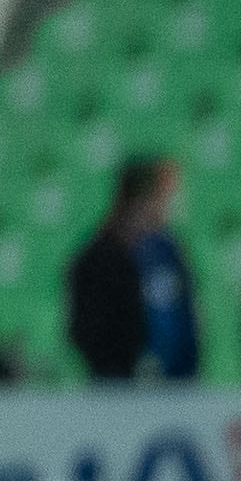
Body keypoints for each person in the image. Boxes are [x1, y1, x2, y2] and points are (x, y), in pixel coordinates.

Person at [64, 157, 196, 384]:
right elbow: (85, 331)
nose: (172, 205)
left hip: (175, 389)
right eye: (166, 197)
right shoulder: (98, 259)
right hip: (118, 392)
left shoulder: (167, 253)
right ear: (141, 199)